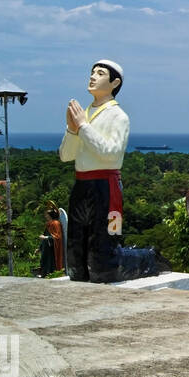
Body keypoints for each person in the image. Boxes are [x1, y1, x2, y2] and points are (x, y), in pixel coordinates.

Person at [58, 60, 132, 283]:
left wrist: (82, 127)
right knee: (76, 243)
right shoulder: (84, 114)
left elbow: (110, 153)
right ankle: (78, 276)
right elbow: (66, 155)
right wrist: (72, 130)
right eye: (92, 72)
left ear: (114, 83)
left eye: (100, 74)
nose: (92, 77)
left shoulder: (119, 117)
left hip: (106, 187)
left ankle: (107, 273)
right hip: (82, 184)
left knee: (105, 242)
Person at [38, 206, 64, 276]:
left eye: (47, 214)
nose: (45, 216)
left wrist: (46, 238)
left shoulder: (55, 223)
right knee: (44, 261)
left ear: (50, 215)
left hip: (52, 249)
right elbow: (45, 235)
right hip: (46, 248)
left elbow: (57, 237)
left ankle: (51, 274)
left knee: (50, 263)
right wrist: (39, 248)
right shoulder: (48, 224)